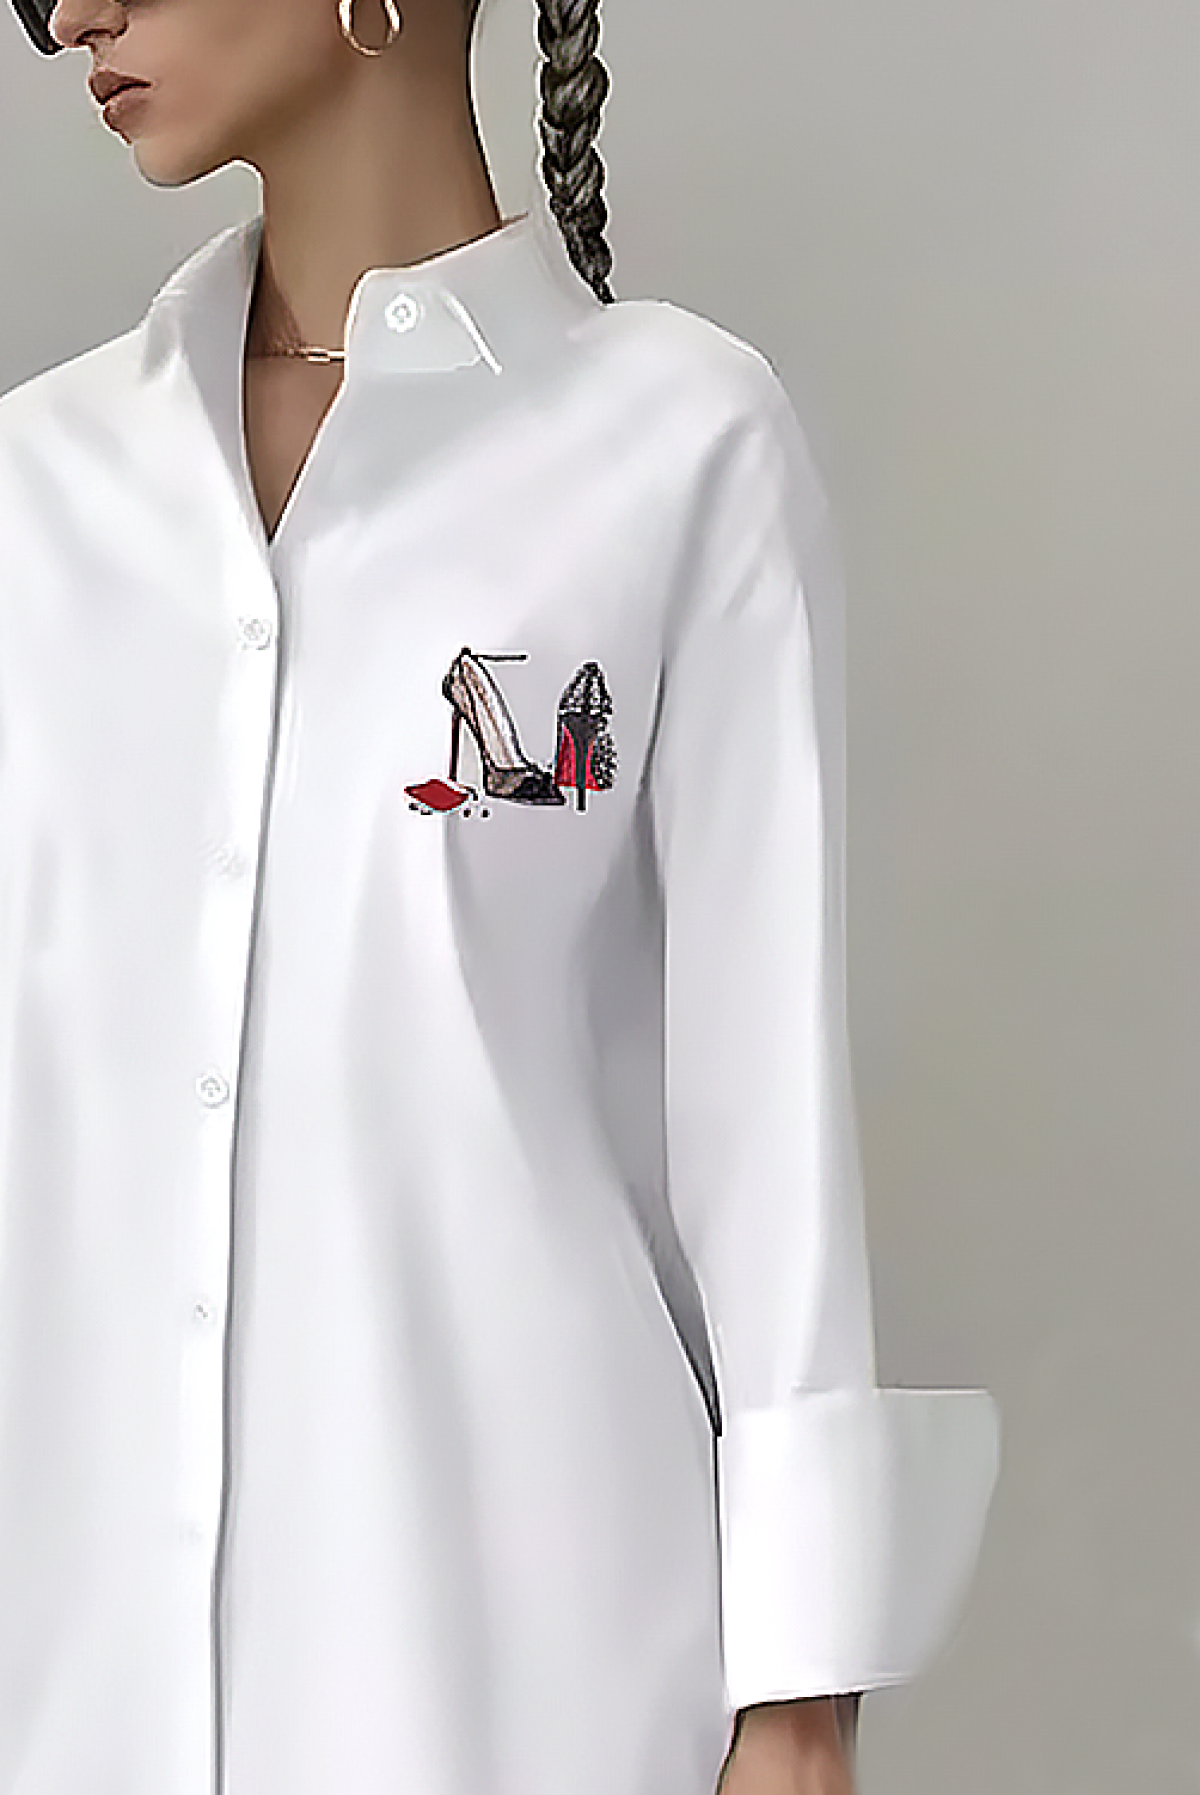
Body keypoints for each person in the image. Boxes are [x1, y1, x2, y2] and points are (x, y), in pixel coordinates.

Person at [0, 0, 1002, 1791]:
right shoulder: (37, 498)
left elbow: (761, 1130)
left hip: (532, 1683)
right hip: (73, 1684)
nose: (69, 12)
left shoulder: (678, 446)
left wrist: (798, 1704)